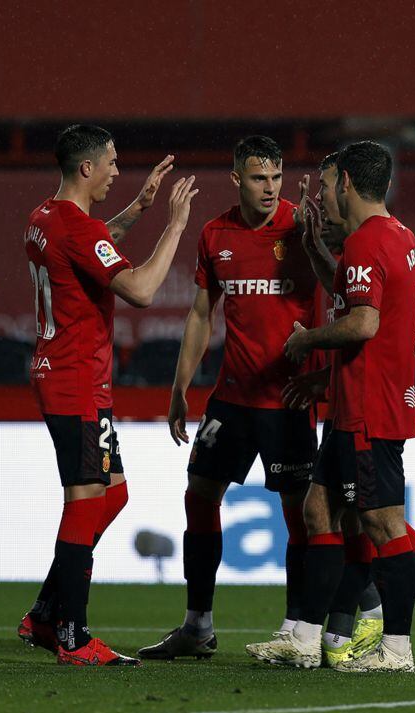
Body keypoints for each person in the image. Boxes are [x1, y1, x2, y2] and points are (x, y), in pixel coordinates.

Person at [253, 141, 415, 672]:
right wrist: (316, 251)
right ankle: (308, 638)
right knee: (319, 510)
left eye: (330, 183)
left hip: (368, 409)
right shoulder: (398, 235)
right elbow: (365, 303)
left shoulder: (364, 243)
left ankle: (397, 648)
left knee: (382, 526)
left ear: (349, 184)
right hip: (357, 401)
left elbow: (363, 323)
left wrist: (307, 340)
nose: (327, 193)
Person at [17, 124, 198, 667]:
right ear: (86, 168)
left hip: (68, 375)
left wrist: (139, 209)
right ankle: (71, 635)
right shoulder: (75, 226)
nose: (120, 171)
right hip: (75, 381)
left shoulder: (44, 218)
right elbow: (141, 290)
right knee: (85, 500)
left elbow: (89, 248)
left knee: (111, 495)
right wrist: (173, 225)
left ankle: (47, 613)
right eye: (113, 162)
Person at [138, 136, 319, 660]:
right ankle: (198, 626)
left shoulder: (303, 229)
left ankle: (296, 628)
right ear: (238, 179)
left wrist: (322, 377)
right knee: (199, 496)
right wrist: (179, 388)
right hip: (232, 398)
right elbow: (200, 314)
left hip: (287, 399)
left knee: (299, 515)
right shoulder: (215, 233)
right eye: (260, 178)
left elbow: (340, 301)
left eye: (277, 178)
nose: (270, 188)